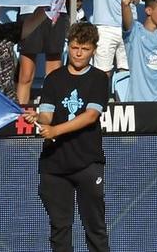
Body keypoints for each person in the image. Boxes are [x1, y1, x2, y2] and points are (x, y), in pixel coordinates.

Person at [32, 21, 112, 252]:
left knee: (95, 226)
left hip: (87, 162)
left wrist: (55, 130)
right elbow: (46, 115)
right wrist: (38, 120)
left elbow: (90, 116)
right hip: (54, 164)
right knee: (60, 228)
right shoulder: (53, 78)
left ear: (94, 50)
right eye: (75, 47)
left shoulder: (98, 78)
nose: (79, 53)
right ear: (69, 46)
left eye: (85, 49)